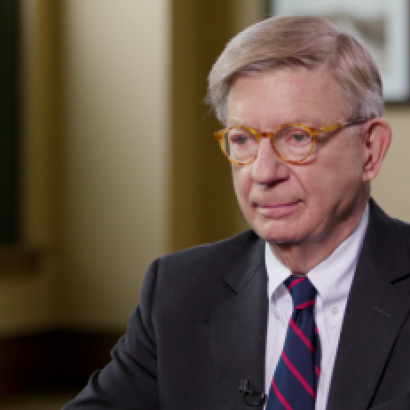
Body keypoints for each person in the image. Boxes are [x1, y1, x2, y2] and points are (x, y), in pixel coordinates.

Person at [63, 16, 410, 410]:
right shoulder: (178, 292)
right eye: (242, 140)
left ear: (370, 149)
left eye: (297, 138)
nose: (263, 173)